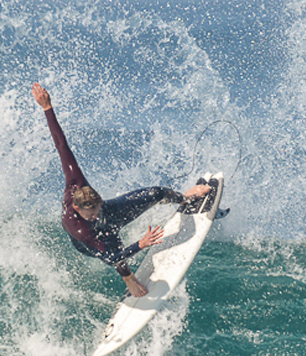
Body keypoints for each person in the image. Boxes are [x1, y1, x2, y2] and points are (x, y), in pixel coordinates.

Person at [32, 82, 210, 297]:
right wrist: (141, 244)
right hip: (93, 243)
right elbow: (110, 258)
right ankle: (129, 279)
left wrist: (47, 108)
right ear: (77, 209)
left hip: (111, 213)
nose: (96, 215)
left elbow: (62, 145)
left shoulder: (77, 181)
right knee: (112, 244)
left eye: (97, 209)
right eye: (91, 213)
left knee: (156, 193)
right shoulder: (78, 227)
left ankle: (184, 197)